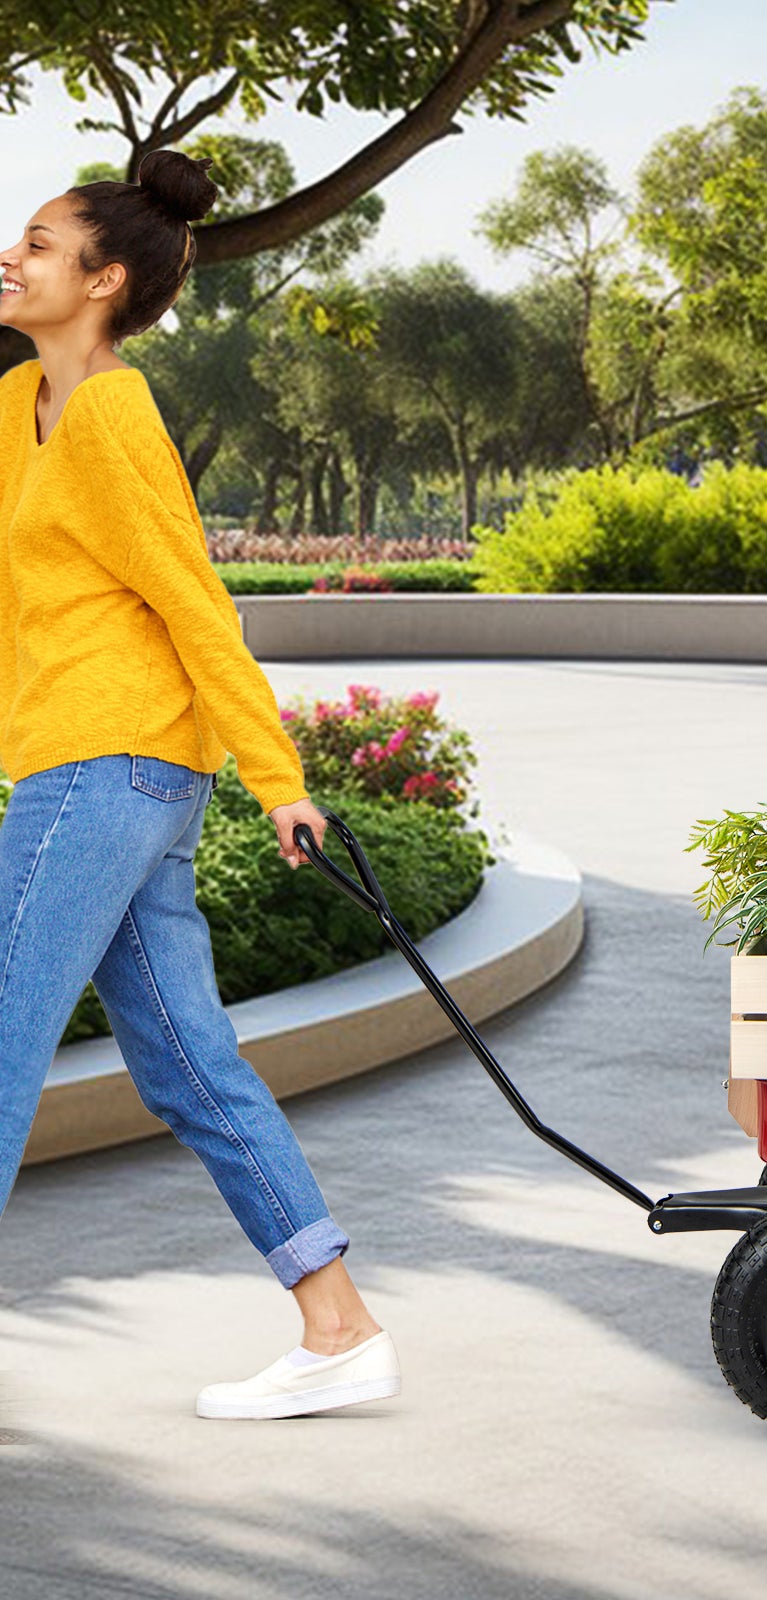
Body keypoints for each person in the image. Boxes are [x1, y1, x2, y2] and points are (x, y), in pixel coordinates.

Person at [0, 150, 399, 1420]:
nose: (14, 256)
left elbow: (193, 601)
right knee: (186, 1061)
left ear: (104, 281)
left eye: (42, 244)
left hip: (104, 768)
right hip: (108, 770)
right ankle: (338, 1326)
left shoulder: (115, 411)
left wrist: (279, 778)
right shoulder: (23, 406)